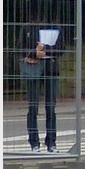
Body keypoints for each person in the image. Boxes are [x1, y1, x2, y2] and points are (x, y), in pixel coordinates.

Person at [21, 22, 63, 154]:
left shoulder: (56, 27)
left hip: (51, 69)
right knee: (33, 107)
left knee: (50, 107)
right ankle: (34, 143)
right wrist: (34, 53)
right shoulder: (28, 27)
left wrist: (43, 50)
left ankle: (51, 143)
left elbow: (61, 49)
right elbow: (19, 48)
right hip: (33, 70)